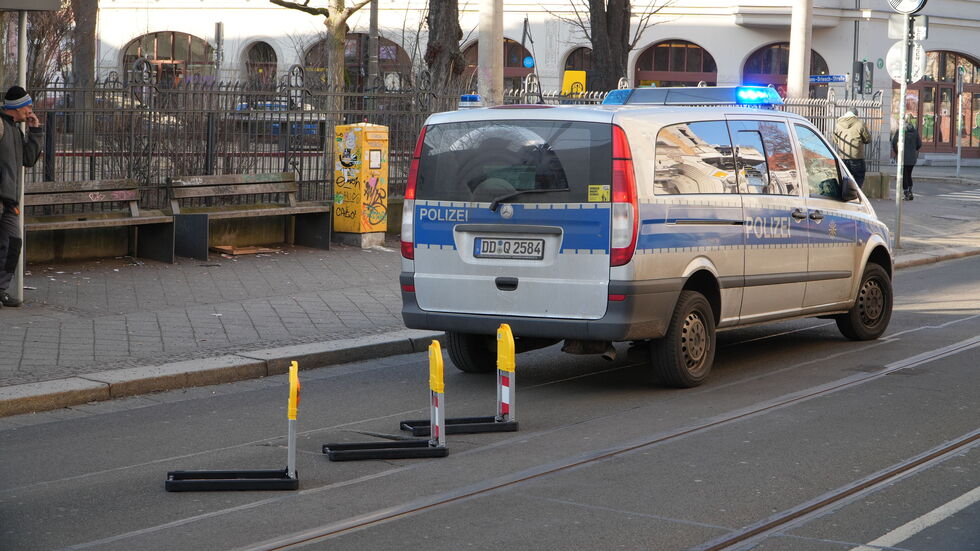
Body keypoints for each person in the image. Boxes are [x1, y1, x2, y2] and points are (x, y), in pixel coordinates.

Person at [0, 86, 43, 308]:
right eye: (27, 106)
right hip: (2, 197)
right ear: (16, 107)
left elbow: (27, 159)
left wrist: (35, 132)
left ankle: (1, 289)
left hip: (9, 201)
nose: (30, 110)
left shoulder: (15, 130)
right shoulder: (0, 126)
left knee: (13, 244)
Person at [833, 109, 872, 188]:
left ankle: (845, 195)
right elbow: (868, 139)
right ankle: (856, 194)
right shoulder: (860, 123)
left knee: (844, 178)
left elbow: (835, 139)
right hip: (857, 157)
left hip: (843, 156)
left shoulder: (838, 124)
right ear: (856, 115)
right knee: (859, 177)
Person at [890, 120, 922, 201]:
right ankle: (910, 192)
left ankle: (906, 193)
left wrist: (897, 151)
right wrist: (914, 149)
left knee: (904, 175)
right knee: (909, 175)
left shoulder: (901, 131)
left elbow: (894, 142)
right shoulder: (915, 132)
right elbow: (919, 144)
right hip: (912, 158)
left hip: (902, 157)